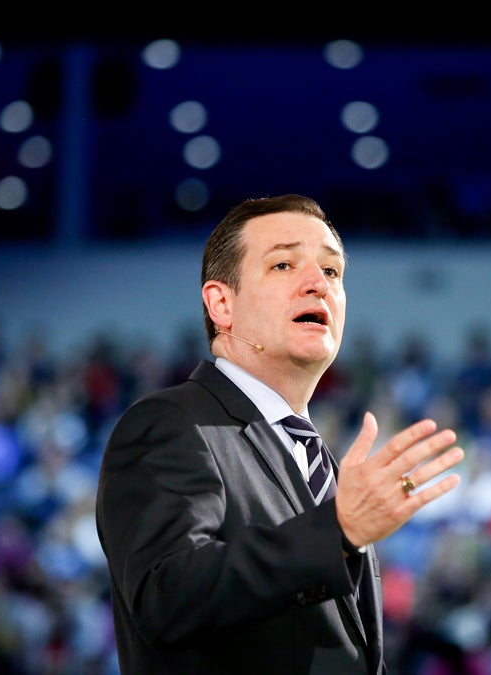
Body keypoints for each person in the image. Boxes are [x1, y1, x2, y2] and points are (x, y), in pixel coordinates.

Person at [95, 193, 465, 674]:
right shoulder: (171, 423)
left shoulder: (315, 458)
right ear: (221, 304)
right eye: (284, 265)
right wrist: (338, 531)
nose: (318, 284)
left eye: (332, 272)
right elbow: (168, 598)